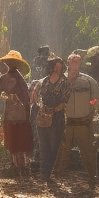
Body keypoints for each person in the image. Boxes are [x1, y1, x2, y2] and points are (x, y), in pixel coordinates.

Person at [55, 52, 99, 187]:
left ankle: (92, 176)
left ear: (80, 64)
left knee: (88, 151)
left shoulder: (88, 81)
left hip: (84, 123)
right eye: (71, 62)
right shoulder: (61, 80)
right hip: (66, 122)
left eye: (77, 62)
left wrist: (89, 106)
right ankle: (57, 176)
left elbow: (96, 98)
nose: (74, 65)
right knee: (62, 150)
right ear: (68, 63)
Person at [0, 50, 34, 177]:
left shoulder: (19, 80)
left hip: (19, 116)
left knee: (19, 141)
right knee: (15, 141)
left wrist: (11, 98)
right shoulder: (5, 78)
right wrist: (3, 96)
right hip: (13, 115)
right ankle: (18, 167)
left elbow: (25, 98)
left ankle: (22, 167)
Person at [35, 57, 70, 186]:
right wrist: (42, 108)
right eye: (54, 67)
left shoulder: (65, 82)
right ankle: (44, 174)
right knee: (43, 145)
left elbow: (65, 101)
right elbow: (37, 96)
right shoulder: (43, 81)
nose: (56, 70)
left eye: (59, 68)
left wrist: (53, 110)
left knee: (53, 146)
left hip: (57, 118)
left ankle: (48, 173)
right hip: (42, 116)